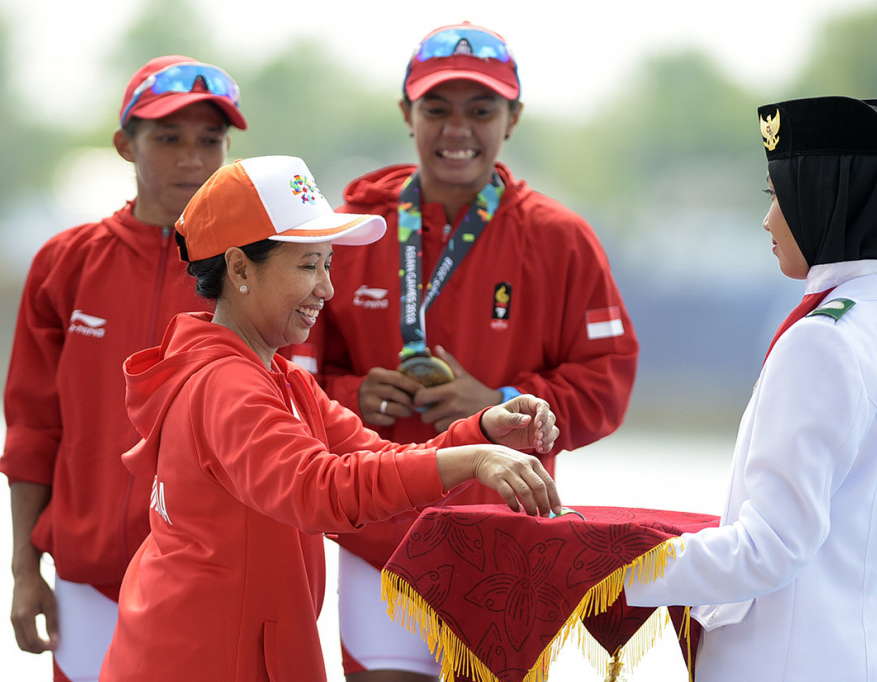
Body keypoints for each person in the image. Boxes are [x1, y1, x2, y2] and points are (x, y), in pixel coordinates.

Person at [96, 155, 562, 682]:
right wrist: (473, 460)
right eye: (306, 266)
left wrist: (480, 432)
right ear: (240, 268)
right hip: (201, 659)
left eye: (327, 264)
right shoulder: (228, 384)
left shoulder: (277, 377)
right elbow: (321, 490)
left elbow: (373, 458)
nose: (327, 289)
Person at [279, 22, 639, 682]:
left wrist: (500, 400)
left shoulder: (561, 238)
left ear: (514, 118)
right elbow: (287, 373)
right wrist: (352, 394)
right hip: (378, 533)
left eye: (481, 111)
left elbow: (607, 382)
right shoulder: (351, 229)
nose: (457, 130)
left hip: (505, 533)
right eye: (436, 109)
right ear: (405, 113)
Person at [623, 96, 877, 681]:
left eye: (776, 196)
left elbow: (768, 547)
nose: (767, 220)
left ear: (823, 198)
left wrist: (607, 569)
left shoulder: (822, 340)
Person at [0, 55, 247, 681]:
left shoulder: (253, 272)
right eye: (168, 138)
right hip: (86, 581)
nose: (191, 158)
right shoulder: (64, 264)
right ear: (124, 144)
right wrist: (26, 572)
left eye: (209, 140)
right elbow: (31, 433)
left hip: (210, 582)